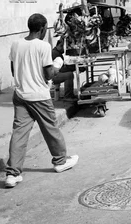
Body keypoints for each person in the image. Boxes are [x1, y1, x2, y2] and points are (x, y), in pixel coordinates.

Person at [6, 13, 78, 188]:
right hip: (39, 95)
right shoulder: (44, 46)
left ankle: (12, 174)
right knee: (50, 128)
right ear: (43, 28)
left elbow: (13, 70)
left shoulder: (16, 44)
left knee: (19, 133)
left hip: (21, 95)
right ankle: (60, 161)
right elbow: (49, 74)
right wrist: (58, 64)